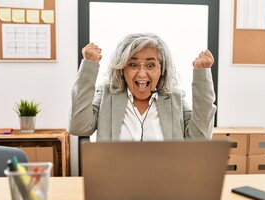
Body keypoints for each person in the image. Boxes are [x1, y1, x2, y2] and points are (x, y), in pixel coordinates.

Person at [69, 33, 216, 141]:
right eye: (132, 65)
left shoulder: (175, 98)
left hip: (165, 179)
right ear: (122, 69)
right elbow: (79, 126)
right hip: (116, 179)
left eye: (151, 65)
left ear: (162, 69)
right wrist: (89, 66)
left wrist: (202, 75)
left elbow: (200, 138)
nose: (141, 74)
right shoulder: (107, 95)